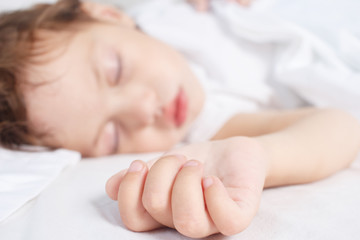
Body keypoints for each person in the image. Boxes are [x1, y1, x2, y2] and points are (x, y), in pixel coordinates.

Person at [0, 0, 359, 238]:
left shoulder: (157, 10)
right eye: (111, 135)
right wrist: (263, 155)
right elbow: (339, 127)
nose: (142, 110)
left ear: (107, 14)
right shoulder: (210, 121)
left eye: (116, 71)